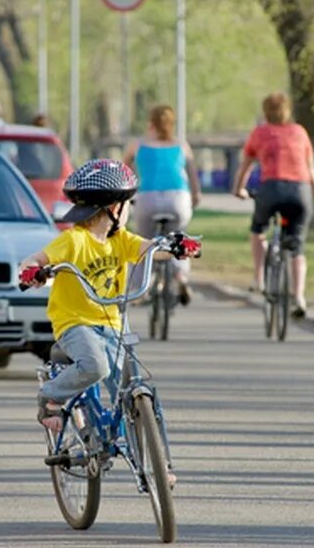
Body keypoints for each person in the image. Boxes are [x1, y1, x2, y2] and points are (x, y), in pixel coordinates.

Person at [18, 159, 201, 433]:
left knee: (130, 389)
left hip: (114, 323)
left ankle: (154, 461)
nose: (130, 210)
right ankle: (52, 394)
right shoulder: (74, 240)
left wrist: (177, 248)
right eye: (130, 204)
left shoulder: (121, 239)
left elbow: (150, 249)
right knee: (96, 366)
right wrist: (32, 271)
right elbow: (34, 259)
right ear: (115, 208)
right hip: (76, 322)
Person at [232, 92, 314, 318]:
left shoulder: (260, 133)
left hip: (270, 190)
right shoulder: (300, 132)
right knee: (297, 247)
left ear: (265, 112)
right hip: (300, 191)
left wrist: (238, 189)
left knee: (258, 230)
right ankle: (299, 296)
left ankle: (259, 277)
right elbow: (311, 168)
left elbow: (246, 166)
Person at [123, 105, 202, 305]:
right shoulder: (182, 146)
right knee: (179, 237)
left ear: (151, 124)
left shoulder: (137, 145)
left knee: (141, 242)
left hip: (147, 198)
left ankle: (140, 289)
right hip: (178, 199)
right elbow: (193, 176)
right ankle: (182, 277)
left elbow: (124, 172)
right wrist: (196, 196)